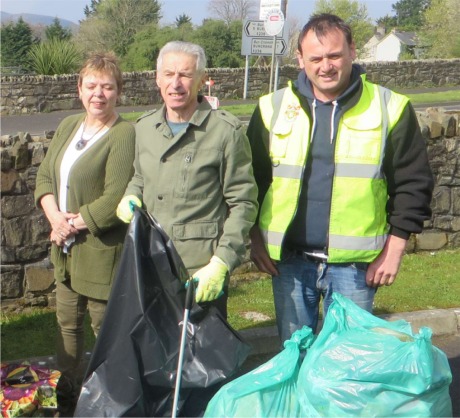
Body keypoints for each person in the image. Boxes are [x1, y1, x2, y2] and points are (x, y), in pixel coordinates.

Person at [247, 13, 434, 343]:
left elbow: (413, 183)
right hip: (289, 264)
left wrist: (394, 249)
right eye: (315, 58)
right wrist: (255, 240)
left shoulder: (389, 107)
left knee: (349, 364)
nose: (326, 66)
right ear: (300, 59)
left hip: (356, 269)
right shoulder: (271, 108)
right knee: (294, 359)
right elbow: (251, 182)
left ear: (352, 51)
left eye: (334, 55)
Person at [116, 41, 258, 317]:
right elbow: (140, 177)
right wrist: (131, 194)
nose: (176, 84)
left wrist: (222, 262)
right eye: (169, 74)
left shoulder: (225, 132)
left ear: (202, 79)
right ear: (157, 79)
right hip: (150, 263)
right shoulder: (145, 127)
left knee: (199, 345)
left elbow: (244, 203)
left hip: (199, 269)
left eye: (185, 75)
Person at [34, 52, 136, 415]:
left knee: (105, 330)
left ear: (118, 92)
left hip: (100, 252)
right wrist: (55, 219)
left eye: (107, 87)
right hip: (65, 250)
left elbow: (114, 198)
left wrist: (70, 225)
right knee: (67, 326)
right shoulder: (68, 125)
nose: (98, 94)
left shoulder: (123, 133)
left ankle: (113, 402)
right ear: (79, 89)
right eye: (91, 85)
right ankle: (69, 399)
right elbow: (44, 177)